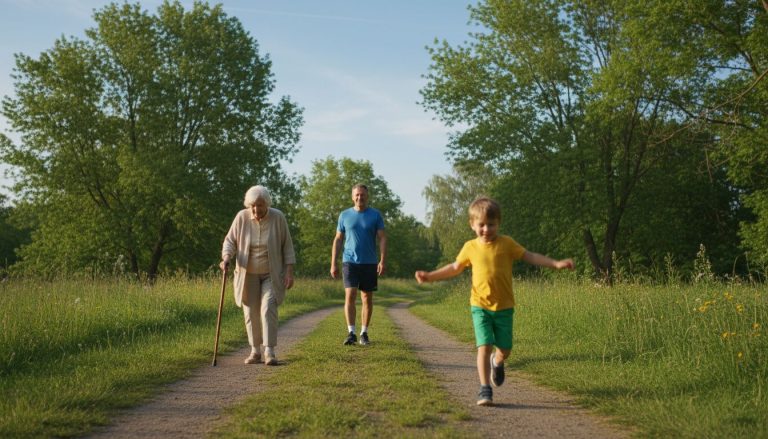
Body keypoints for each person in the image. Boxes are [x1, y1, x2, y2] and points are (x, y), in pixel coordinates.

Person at [415, 197, 574, 406]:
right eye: (481, 224)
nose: (486, 229)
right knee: (484, 346)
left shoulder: (507, 244)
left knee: (505, 349)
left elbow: (530, 257)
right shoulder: (470, 247)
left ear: (498, 223)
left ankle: (498, 362)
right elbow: (454, 268)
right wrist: (430, 276)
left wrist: (556, 263)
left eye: (491, 224)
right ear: (472, 225)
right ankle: (484, 389)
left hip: (504, 307)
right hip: (479, 305)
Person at [221, 185, 295, 365]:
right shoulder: (241, 217)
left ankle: (269, 351)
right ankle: (255, 350)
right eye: (253, 205)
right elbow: (230, 241)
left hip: (271, 273)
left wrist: (289, 272)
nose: (256, 209)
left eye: (260, 205)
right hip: (248, 274)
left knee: (268, 307)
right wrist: (226, 258)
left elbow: (287, 246)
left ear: (267, 204)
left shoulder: (278, 217)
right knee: (250, 310)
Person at [330, 184, 387, 346]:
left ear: (367, 197)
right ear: (352, 196)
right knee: (350, 295)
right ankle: (351, 332)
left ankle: (364, 333)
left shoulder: (375, 215)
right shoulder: (344, 215)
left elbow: (382, 238)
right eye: (357, 195)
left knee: (367, 297)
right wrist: (333, 263)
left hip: (369, 262)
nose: (359, 198)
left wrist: (382, 260)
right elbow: (338, 239)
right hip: (349, 261)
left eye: (362, 195)